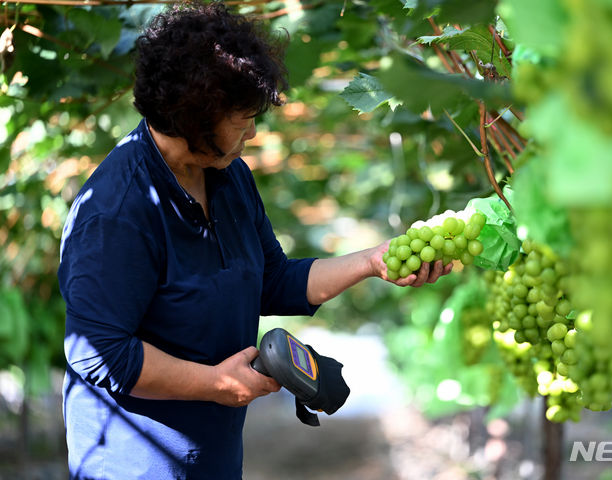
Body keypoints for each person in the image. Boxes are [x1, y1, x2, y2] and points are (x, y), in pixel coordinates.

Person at [58, 2, 452, 479]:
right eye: (243, 119)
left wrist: (373, 261)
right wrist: (214, 383)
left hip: (214, 457)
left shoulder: (229, 177)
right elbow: (99, 352)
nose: (253, 131)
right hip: (133, 465)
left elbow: (275, 281)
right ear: (195, 118)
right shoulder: (117, 209)